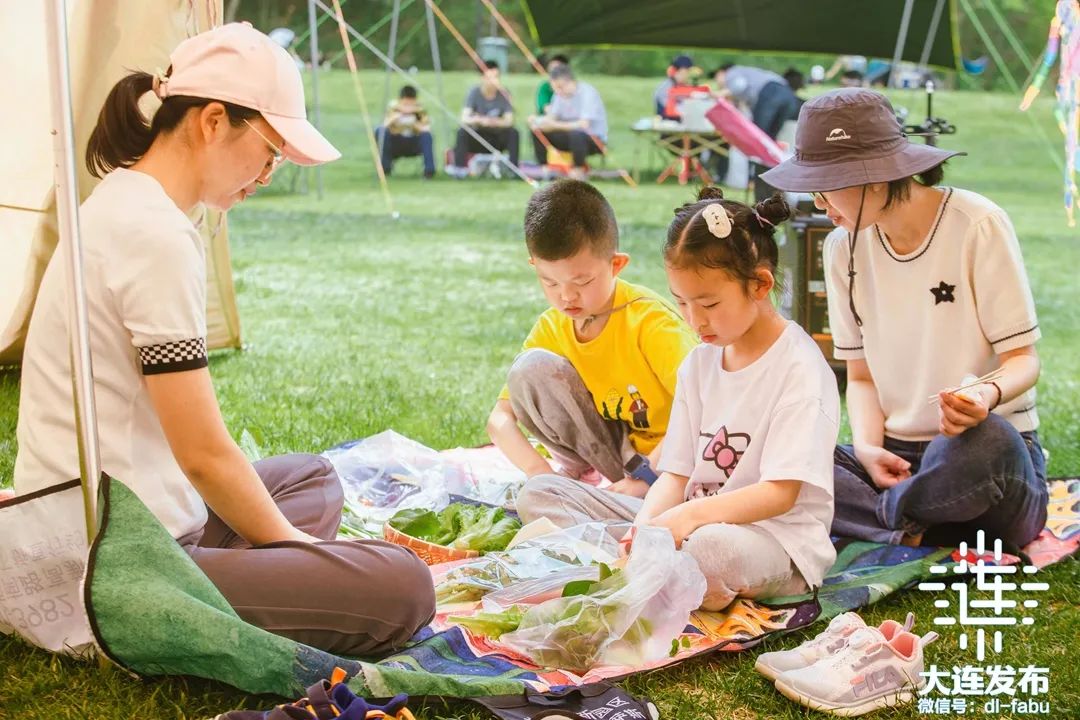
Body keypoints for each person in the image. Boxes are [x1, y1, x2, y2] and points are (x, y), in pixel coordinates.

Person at [13, 23, 434, 656]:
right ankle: (240, 585)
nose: (268, 174)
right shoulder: (153, 233)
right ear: (213, 121)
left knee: (311, 477)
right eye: (270, 151)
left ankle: (261, 571)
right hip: (118, 561)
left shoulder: (126, 202)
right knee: (404, 589)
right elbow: (203, 456)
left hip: (112, 518)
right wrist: (308, 554)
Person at [517, 188, 839, 612]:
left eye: (708, 303)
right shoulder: (701, 362)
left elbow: (781, 493)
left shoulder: (798, 366)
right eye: (681, 302)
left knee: (708, 551)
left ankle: (622, 569)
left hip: (773, 540)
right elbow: (675, 475)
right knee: (540, 494)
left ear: (759, 284)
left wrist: (685, 519)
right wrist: (646, 529)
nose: (693, 320)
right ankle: (642, 568)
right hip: (692, 521)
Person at [760, 88, 1048, 551]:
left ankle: (881, 520)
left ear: (873, 178)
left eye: (824, 186)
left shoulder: (978, 224)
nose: (818, 204)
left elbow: (1023, 361)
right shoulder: (840, 248)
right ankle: (910, 523)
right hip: (895, 461)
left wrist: (983, 394)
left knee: (990, 445)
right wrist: (870, 450)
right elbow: (861, 376)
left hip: (971, 454)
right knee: (777, 445)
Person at [487, 180, 698, 500]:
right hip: (621, 460)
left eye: (582, 281)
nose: (566, 296)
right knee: (529, 369)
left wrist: (647, 477)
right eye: (550, 282)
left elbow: (705, 404)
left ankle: (624, 500)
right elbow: (499, 419)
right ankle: (582, 479)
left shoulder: (650, 322)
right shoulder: (554, 325)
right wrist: (538, 474)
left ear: (616, 264)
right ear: (534, 266)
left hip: (680, 460)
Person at [529, 66, 608, 179]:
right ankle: (544, 167)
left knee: (577, 134)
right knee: (537, 129)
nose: (558, 91)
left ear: (571, 82)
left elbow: (583, 125)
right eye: (555, 88)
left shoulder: (588, 93)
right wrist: (537, 121)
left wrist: (554, 125)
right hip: (568, 137)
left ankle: (578, 170)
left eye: (560, 87)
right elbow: (552, 117)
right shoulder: (559, 95)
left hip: (593, 139)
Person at [451, 59, 520, 176]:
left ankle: (513, 171)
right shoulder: (474, 93)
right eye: (490, 77)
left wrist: (494, 122)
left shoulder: (504, 93)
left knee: (514, 133)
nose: (494, 81)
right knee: (462, 132)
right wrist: (480, 120)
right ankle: (459, 170)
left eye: (496, 77)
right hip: (479, 137)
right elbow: (464, 118)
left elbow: (509, 121)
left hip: (497, 137)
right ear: (482, 78)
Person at [712, 63, 800, 140]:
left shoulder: (732, 72)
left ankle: (755, 159)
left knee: (758, 136)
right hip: (788, 95)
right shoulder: (751, 74)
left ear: (721, 72)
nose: (717, 82)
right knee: (770, 138)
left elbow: (739, 86)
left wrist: (719, 94)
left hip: (770, 92)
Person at [375, 85, 435, 178]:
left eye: (411, 104)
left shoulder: (420, 111)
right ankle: (385, 168)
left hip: (413, 143)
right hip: (396, 142)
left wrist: (413, 123)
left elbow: (426, 130)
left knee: (427, 136)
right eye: (405, 104)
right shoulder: (393, 108)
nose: (408, 107)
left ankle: (429, 171)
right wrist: (396, 118)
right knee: (380, 131)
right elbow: (383, 126)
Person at [653, 54, 694, 119]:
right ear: (677, 71)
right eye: (687, 71)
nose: (687, 75)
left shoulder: (684, 86)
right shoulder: (664, 88)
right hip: (668, 123)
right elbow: (671, 110)